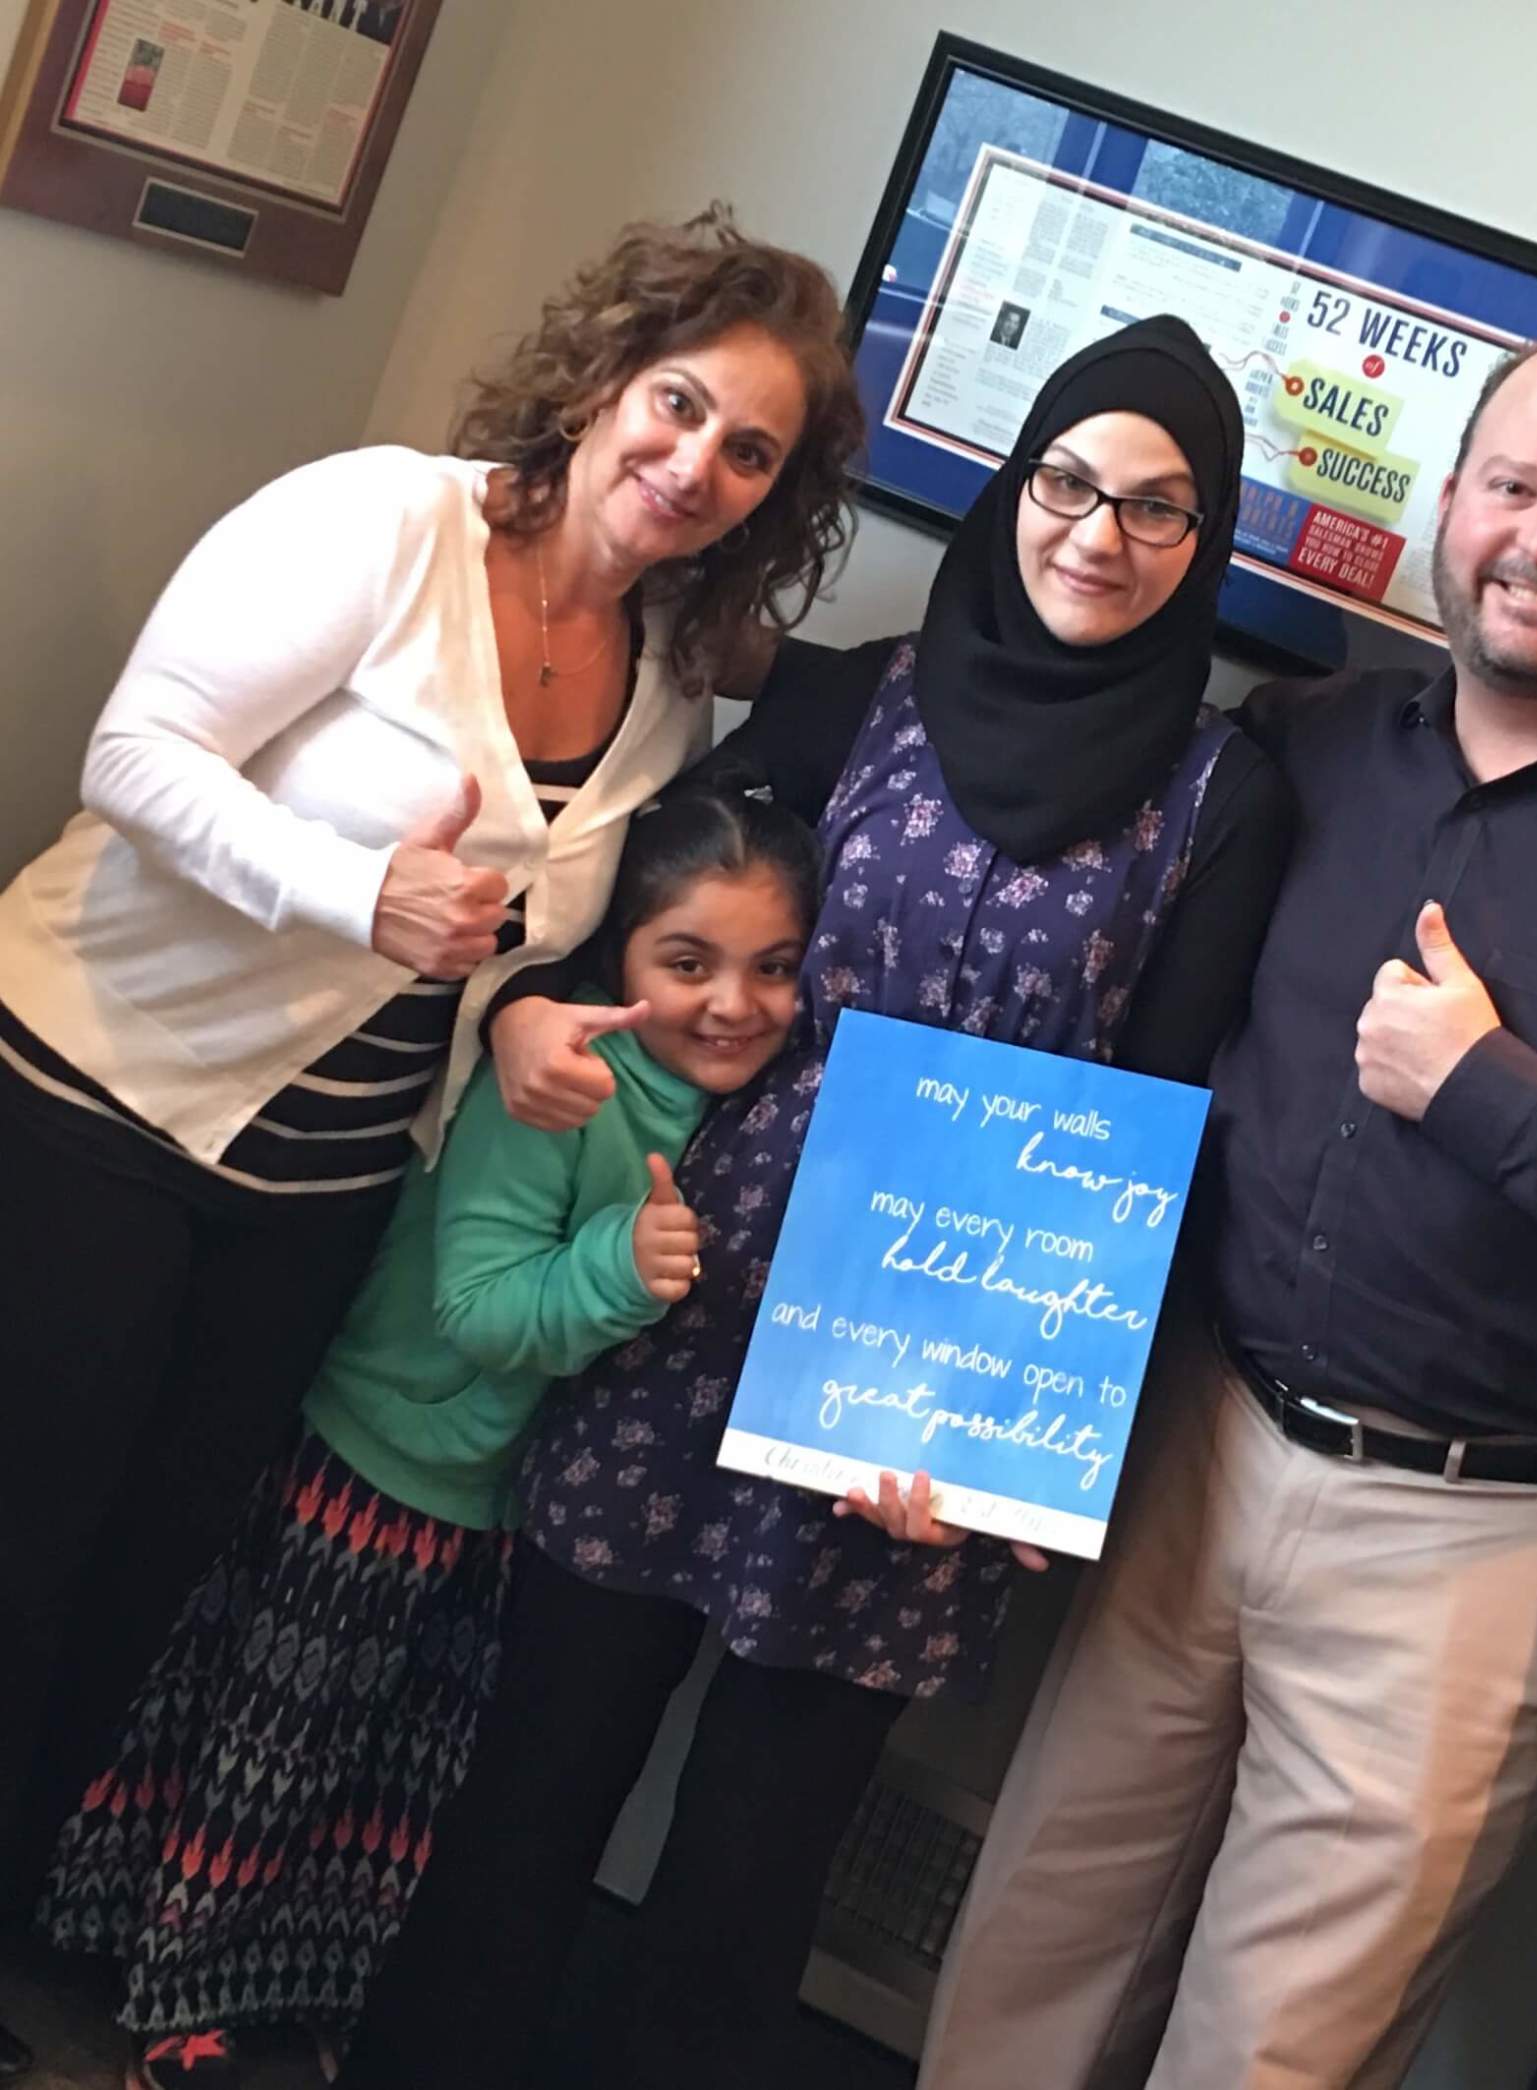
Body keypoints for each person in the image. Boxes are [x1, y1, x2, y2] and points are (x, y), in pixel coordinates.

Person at [917, 328, 1537, 2090]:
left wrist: (1503, 1102)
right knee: (1025, 1969)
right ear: (1452, 505)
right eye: (1515, 486)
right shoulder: (1306, 743)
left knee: (1272, 2054)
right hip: (1198, 1447)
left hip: (1479, 1537)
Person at [335, 314, 1290, 2090]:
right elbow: (649, 927)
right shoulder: (858, 691)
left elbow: (1157, 1133)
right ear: (1017, 488)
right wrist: (535, 1012)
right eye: (1071, 481)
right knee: (529, 1787)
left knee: (744, 1884)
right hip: (671, 1303)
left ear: (1205, 544)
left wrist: (1016, 1451)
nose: (1098, 534)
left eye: (1159, 511)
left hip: (910, 1411)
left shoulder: (1224, 799)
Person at [0, 209, 862, 2083]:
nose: (694, 464)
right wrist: (344, 888)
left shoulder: (668, 676)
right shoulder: (386, 522)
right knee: (21, 1536)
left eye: (750, 451)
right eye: (678, 404)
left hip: (317, 1189)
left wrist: (528, 1019)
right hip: (96, 1103)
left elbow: (503, 952)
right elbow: (133, 755)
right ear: (605, 378)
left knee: (149, 1575)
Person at [34, 790, 821, 2089]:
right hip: (384, 1459)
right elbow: (478, 1304)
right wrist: (619, 1270)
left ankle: (270, 2002)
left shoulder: (728, 1107)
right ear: (623, 952)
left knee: (378, 1782)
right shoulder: (562, 1088)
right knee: (270, 1752)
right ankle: (170, 2011)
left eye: (774, 967)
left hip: (494, 1499)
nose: (733, 1000)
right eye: (689, 961)